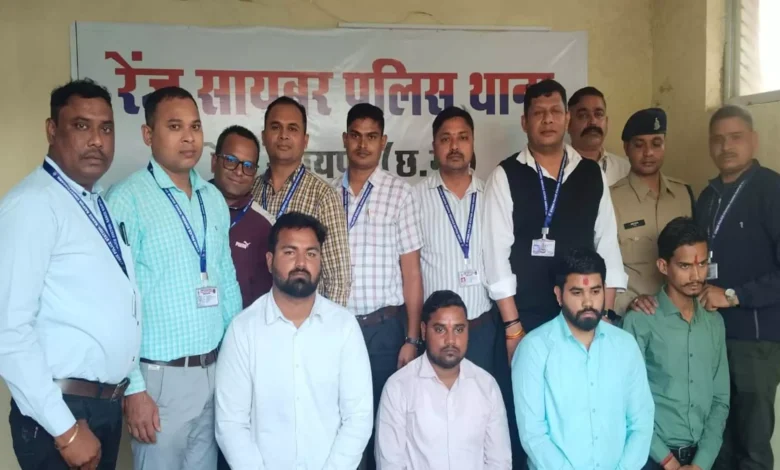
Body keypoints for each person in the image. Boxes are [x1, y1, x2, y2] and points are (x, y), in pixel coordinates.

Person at [0, 79, 140, 470]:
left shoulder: (95, 202)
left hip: (101, 408)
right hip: (63, 414)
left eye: (106, 128)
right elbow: (8, 331)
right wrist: (65, 430)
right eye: (81, 126)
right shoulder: (32, 205)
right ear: (52, 130)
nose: (96, 140)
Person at [105, 86, 242, 470]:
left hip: (214, 371)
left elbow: (227, 281)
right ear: (148, 135)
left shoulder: (212, 198)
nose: (188, 137)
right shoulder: (127, 199)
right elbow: (116, 301)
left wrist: (236, 363)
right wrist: (134, 388)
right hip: (159, 379)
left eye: (195, 127)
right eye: (175, 126)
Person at [483, 78, 627, 363]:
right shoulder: (505, 175)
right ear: (524, 122)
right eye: (538, 113)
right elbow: (495, 257)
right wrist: (513, 327)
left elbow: (608, 247)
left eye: (555, 112)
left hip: (583, 318)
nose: (547, 120)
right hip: (526, 319)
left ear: (567, 118)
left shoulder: (591, 174)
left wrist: (605, 317)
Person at [215, 212, 373, 469]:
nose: (301, 263)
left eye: (311, 253)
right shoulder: (243, 330)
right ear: (270, 261)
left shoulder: (344, 327)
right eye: (290, 252)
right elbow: (230, 424)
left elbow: (359, 417)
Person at [414, 106, 523, 468]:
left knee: (483, 415)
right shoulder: (416, 197)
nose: (454, 146)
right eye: (445, 139)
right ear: (434, 146)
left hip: (482, 328)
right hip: (435, 332)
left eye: (462, 138)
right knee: (434, 418)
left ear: (473, 143)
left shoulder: (492, 193)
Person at [333, 103, 423, 470]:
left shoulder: (400, 193)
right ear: (345, 139)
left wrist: (412, 338)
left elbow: (412, 273)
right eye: (356, 135)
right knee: (343, 423)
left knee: (386, 426)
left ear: (383, 142)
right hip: (338, 329)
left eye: (371, 137)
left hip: (385, 331)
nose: (363, 144)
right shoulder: (327, 194)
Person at [512, 247, 654, 470]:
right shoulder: (534, 349)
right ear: (559, 295)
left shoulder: (625, 346)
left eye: (595, 291)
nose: (588, 302)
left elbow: (641, 422)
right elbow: (533, 434)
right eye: (577, 293)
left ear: (605, 290)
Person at [696, 105, 780, 470]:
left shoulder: (771, 189)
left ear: (754, 141)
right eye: (718, 139)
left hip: (755, 341)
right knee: (717, 438)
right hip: (711, 336)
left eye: (735, 138)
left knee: (752, 445)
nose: (726, 146)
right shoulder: (708, 196)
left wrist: (733, 296)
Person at [623, 217, 729, 470]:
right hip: (651, 458)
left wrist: (701, 463)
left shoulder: (714, 323)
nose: (696, 275)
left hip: (703, 459)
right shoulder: (640, 321)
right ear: (663, 266)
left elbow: (720, 400)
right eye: (684, 266)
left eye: (702, 264)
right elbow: (626, 401)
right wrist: (668, 461)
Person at [374, 290, 511, 470]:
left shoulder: (487, 386)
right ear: (424, 331)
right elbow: (390, 464)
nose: (450, 340)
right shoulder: (399, 387)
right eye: (440, 329)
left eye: (459, 329)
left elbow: (499, 461)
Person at [251, 96, 351, 306]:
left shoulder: (323, 195)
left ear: (305, 140)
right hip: (256, 314)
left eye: (292, 128)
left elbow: (338, 277)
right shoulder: (250, 190)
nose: (283, 135)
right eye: (276, 127)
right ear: (264, 136)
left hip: (304, 317)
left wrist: (326, 323)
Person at [611, 108, 695, 315]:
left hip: (682, 316)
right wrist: (627, 301)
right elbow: (602, 264)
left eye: (656, 144)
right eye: (639, 145)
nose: (648, 153)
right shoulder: (610, 200)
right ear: (626, 148)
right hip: (633, 317)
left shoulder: (684, 194)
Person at [210, 125, 274, 309]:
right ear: (214, 162)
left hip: (242, 323)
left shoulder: (265, 226)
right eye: (231, 160)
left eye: (248, 166)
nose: (239, 172)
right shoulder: (189, 207)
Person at [567, 86, 630, 185]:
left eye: (599, 114)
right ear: (568, 123)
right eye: (583, 115)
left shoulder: (625, 170)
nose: (593, 121)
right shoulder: (554, 168)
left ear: (606, 121)